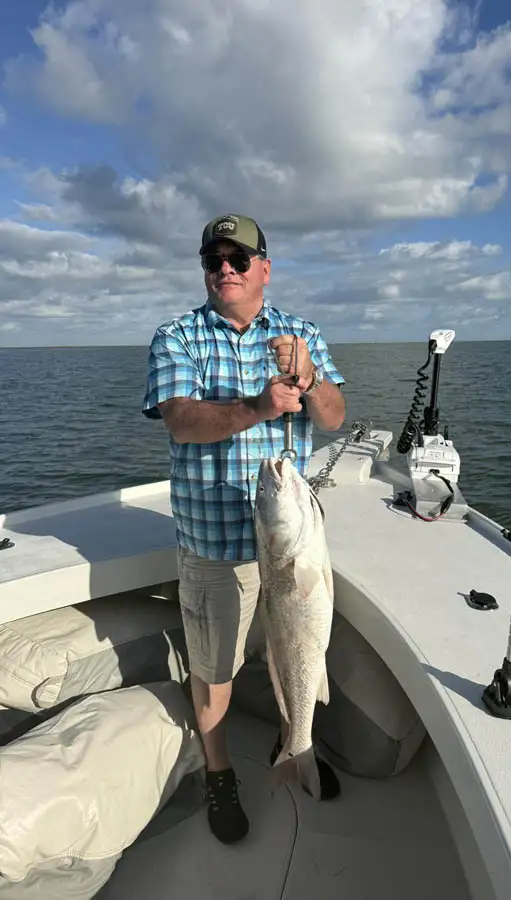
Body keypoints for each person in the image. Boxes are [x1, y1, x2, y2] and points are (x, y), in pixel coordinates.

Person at [142, 213, 346, 845]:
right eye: (214, 260)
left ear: (264, 268)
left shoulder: (301, 333)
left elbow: (334, 419)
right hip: (215, 547)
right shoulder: (178, 336)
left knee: (298, 653)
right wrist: (259, 406)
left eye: (238, 259)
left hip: (288, 546)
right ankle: (220, 772)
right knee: (215, 672)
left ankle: (296, 742)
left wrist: (310, 379)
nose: (225, 269)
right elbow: (181, 421)